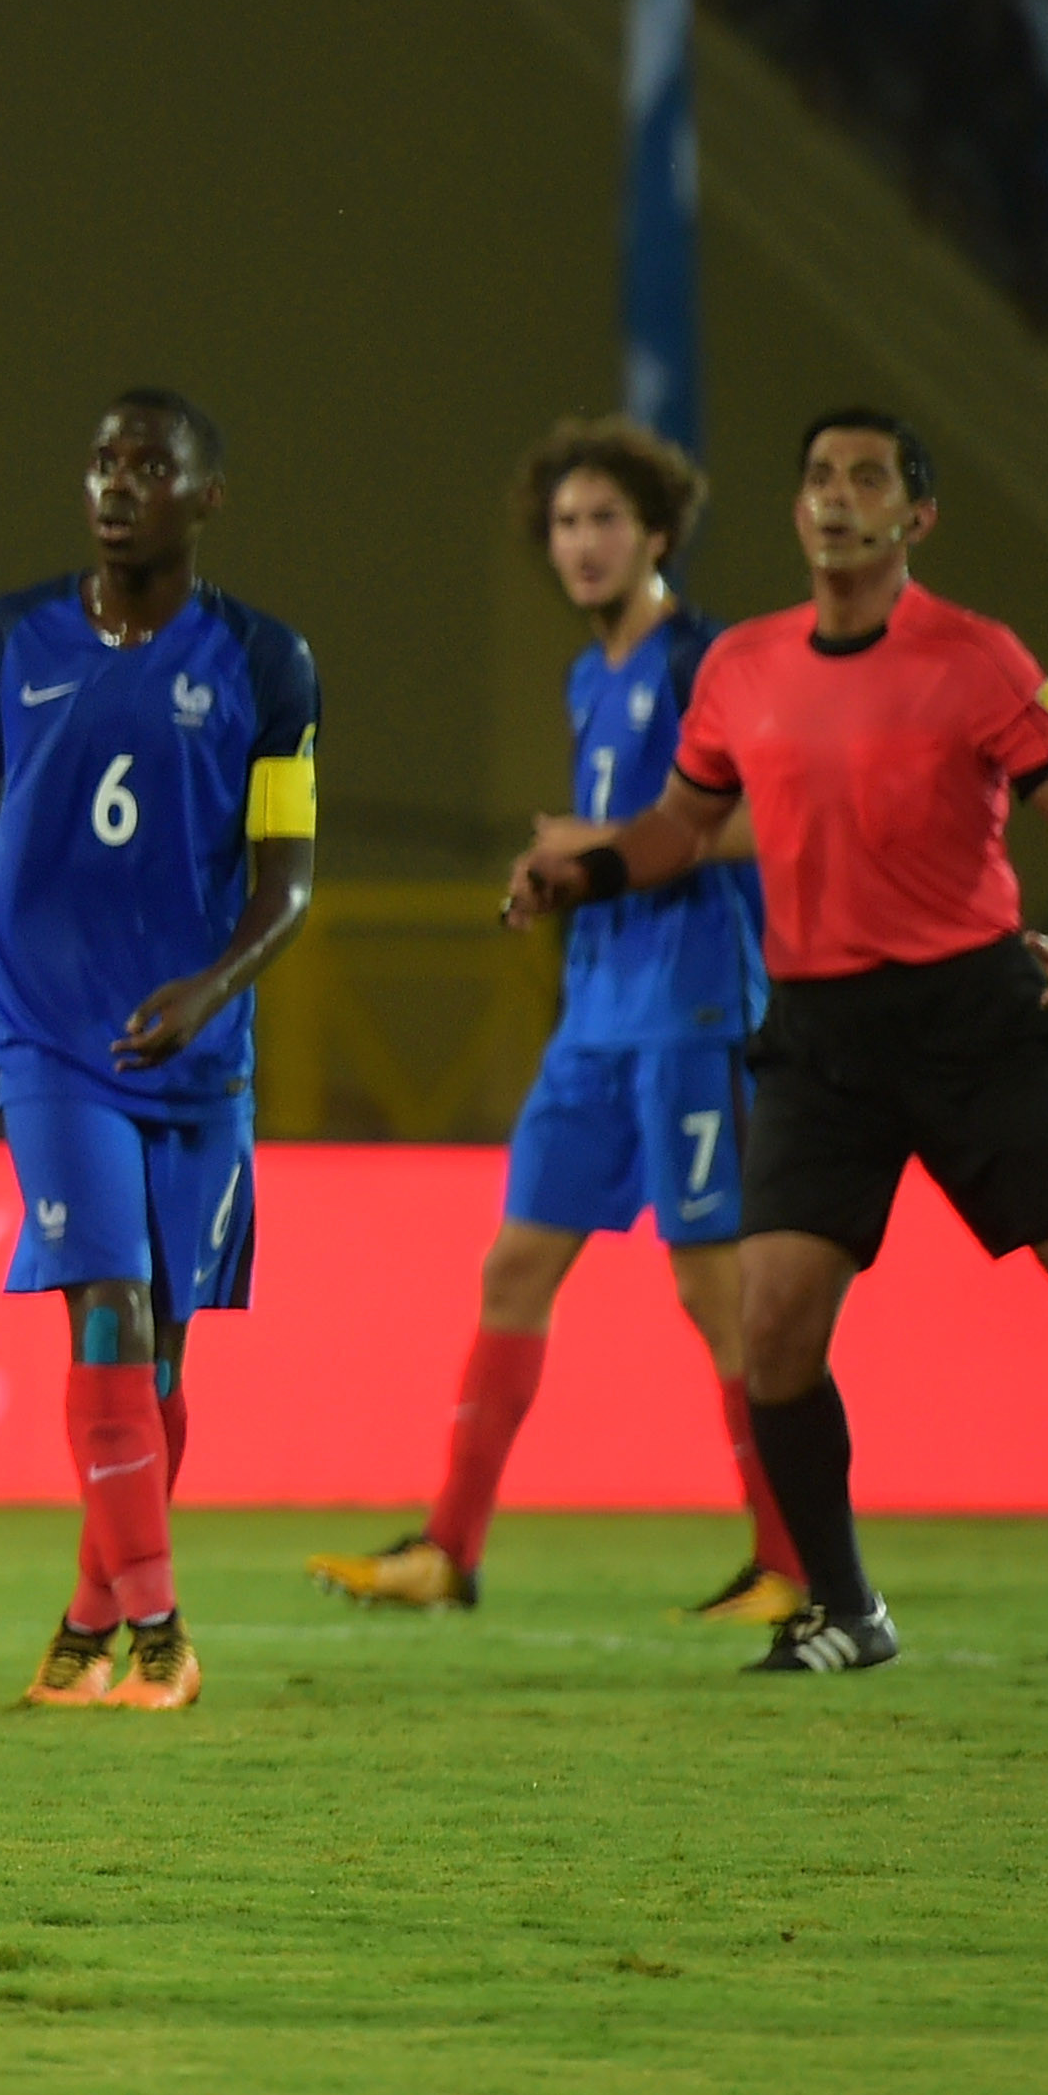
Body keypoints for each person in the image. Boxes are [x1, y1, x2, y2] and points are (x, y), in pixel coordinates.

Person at [512, 410, 1048, 1683]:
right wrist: (586, 874)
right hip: (821, 1034)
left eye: (867, 479)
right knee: (774, 1331)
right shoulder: (745, 670)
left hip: (970, 1021)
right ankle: (846, 1608)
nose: (838, 498)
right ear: (798, 510)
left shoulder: (976, 658)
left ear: (914, 519)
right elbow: (679, 826)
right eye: (819, 477)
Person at [0, 392, 320, 1714]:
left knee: (162, 1356)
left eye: (149, 466)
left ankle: (83, 1624)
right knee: (108, 1312)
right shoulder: (13, 638)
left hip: (197, 1057)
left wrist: (209, 988)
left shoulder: (269, 663)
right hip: (53, 1044)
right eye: (102, 464)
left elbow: (288, 882)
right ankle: (163, 1637)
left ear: (205, 496)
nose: (117, 487)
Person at [310, 419, 798, 1621]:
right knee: (515, 1264)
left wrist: (602, 850)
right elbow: (614, 849)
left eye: (606, 522)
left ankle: (793, 1565)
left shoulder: (707, 663)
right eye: (567, 524)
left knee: (715, 1291)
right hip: (596, 1019)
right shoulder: (592, 675)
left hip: (693, 1010)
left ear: (659, 534)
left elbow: (779, 818)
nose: (581, 544)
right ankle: (449, 1551)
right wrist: (562, 878)